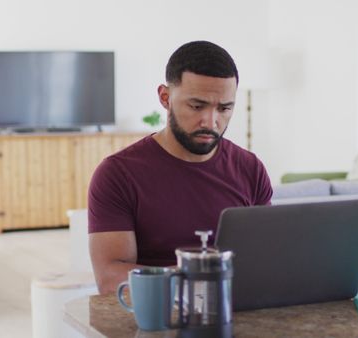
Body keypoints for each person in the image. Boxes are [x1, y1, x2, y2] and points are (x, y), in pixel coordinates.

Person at [88, 40, 273, 294]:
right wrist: (203, 277)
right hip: (158, 320)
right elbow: (110, 279)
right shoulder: (117, 175)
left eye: (224, 108)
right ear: (165, 98)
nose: (211, 121)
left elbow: (267, 260)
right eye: (197, 106)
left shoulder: (251, 169)